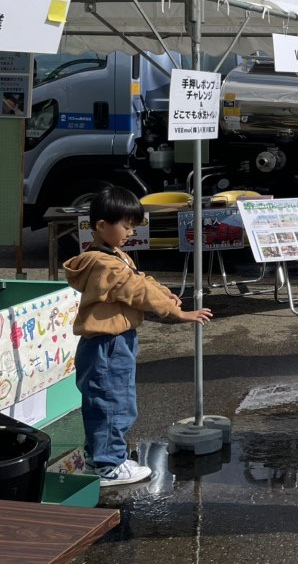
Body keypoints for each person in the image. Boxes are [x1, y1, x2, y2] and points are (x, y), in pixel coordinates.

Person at [64, 186, 213, 487]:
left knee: (104, 402)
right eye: (125, 225)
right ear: (101, 226)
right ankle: (109, 465)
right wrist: (178, 314)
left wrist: (164, 293)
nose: (130, 232)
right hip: (109, 344)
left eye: (133, 225)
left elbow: (142, 281)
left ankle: (99, 456)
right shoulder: (105, 264)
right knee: (113, 404)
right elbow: (136, 290)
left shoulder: (110, 255)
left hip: (109, 343)